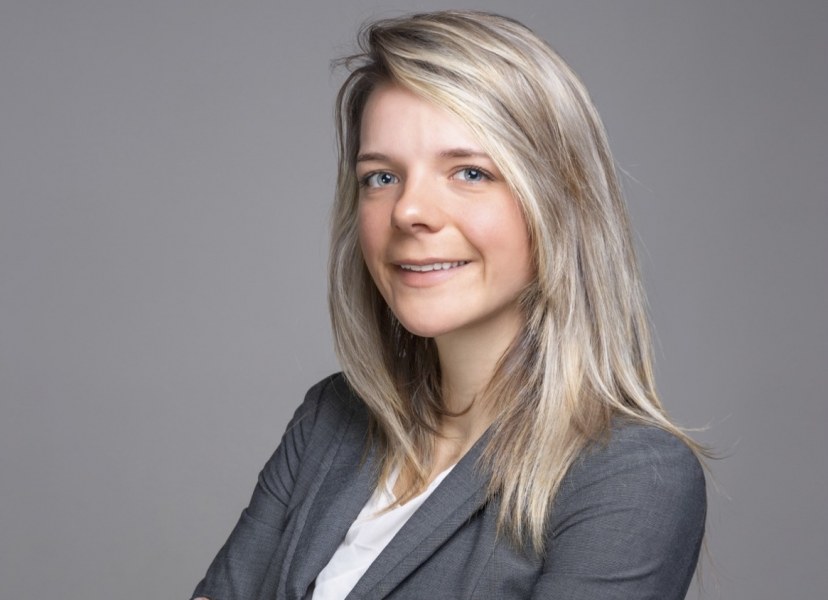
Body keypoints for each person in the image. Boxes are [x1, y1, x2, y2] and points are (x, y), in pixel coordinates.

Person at [192, 10, 707, 600]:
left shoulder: (631, 479)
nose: (410, 211)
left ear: (561, 203)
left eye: (469, 172)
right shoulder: (331, 419)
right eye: (381, 177)